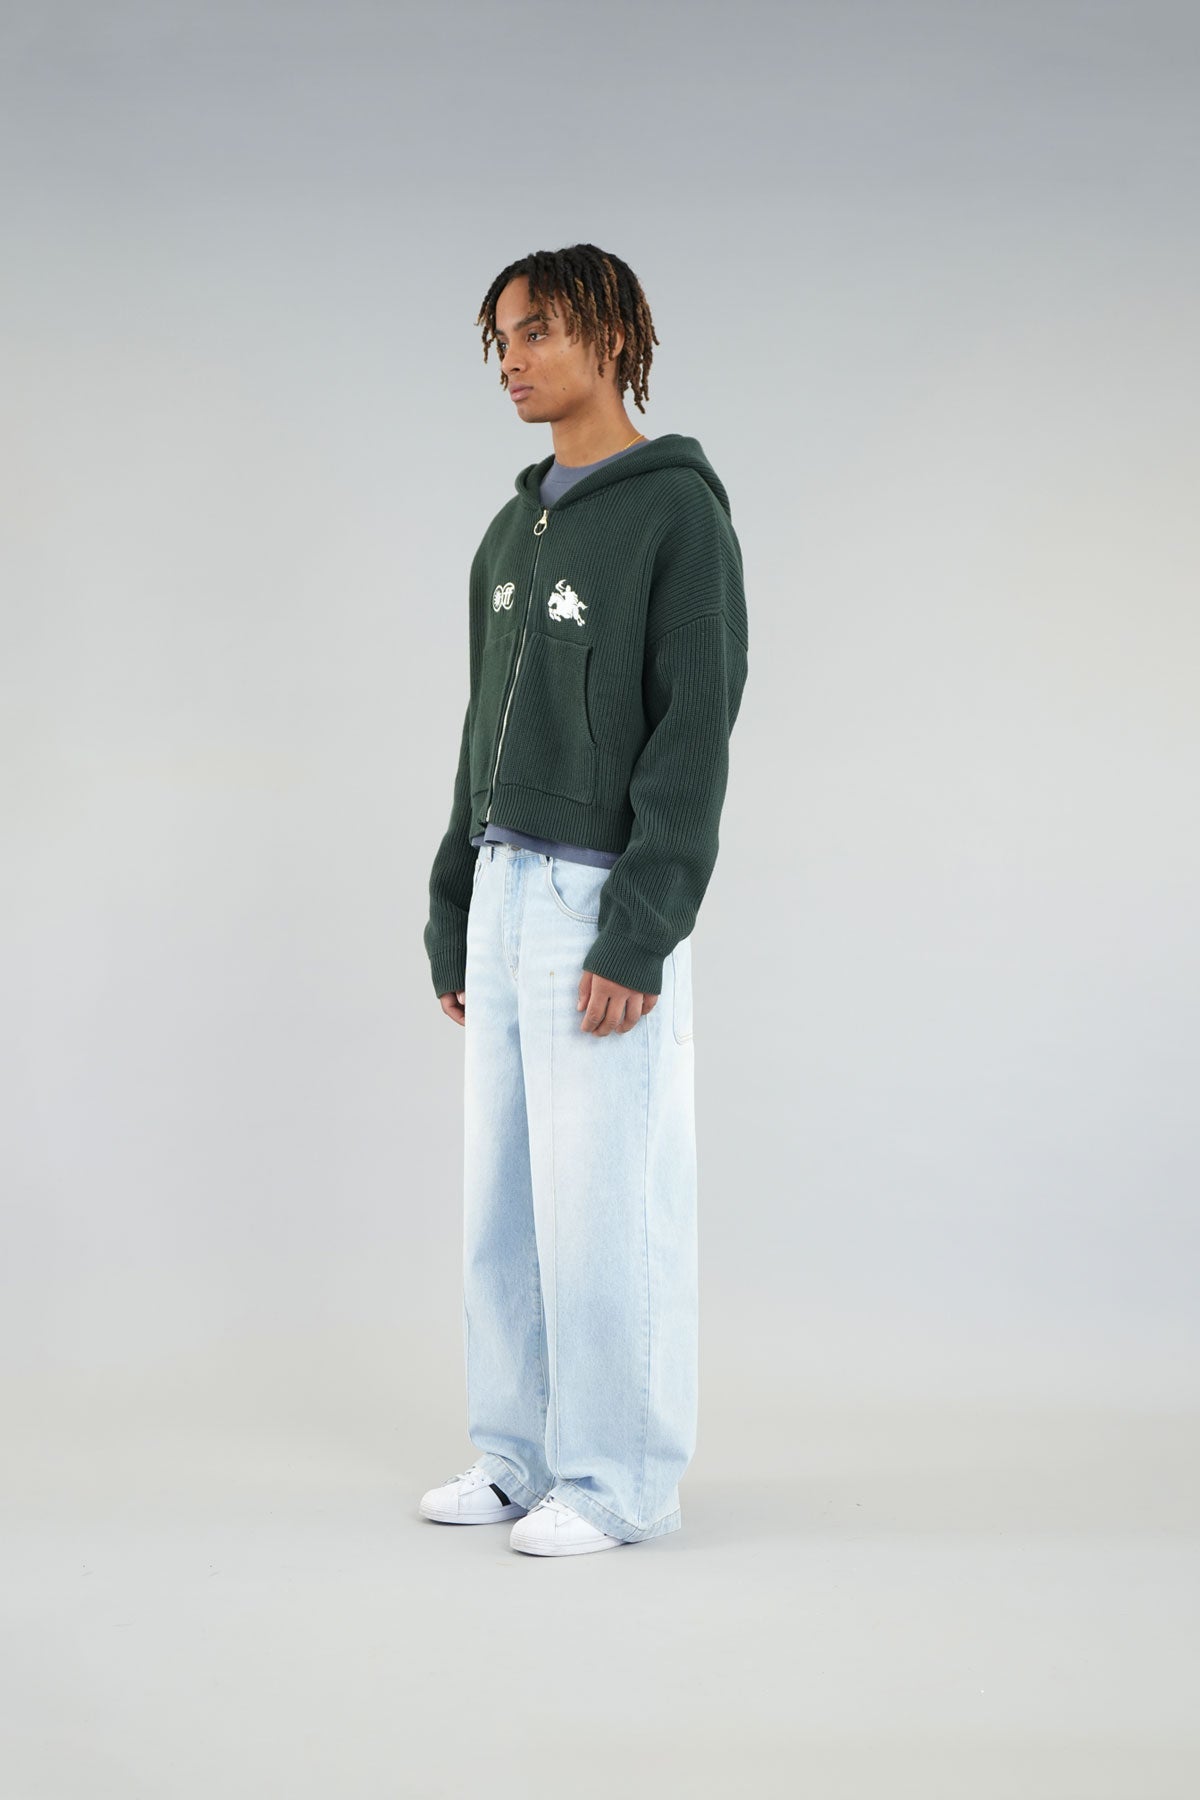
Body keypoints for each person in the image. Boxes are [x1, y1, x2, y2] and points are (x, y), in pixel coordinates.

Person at [419, 243, 749, 1555]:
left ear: (612, 338)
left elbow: (694, 732)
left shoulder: (678, 515)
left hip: (596, 897)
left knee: (604, 1198)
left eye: (539, 331)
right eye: (500, 338)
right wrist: (454, 907)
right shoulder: (510, 533)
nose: (512, 359)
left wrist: (642, 927)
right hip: (505, 890)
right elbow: (478, 736)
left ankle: (617, 1480)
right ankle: (516, 1454)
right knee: (502, 1198)